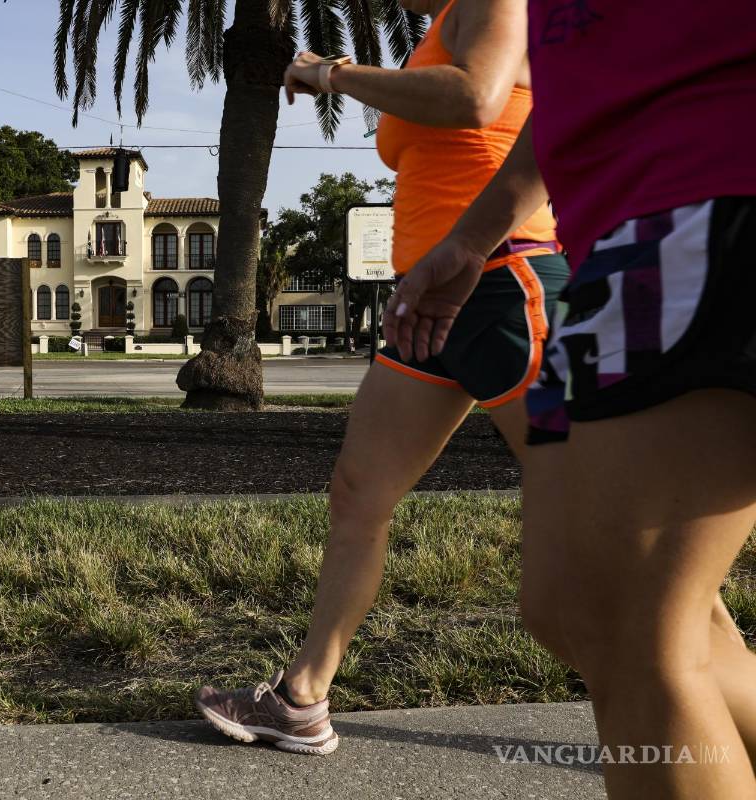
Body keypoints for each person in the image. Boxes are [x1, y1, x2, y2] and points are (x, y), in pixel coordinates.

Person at [383, 2, 756, 796]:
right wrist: (468, 238)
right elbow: (570, 104)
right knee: (570, 607)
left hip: (708, 200)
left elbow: (482, 96)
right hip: (624, 246)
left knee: (629, 625)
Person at [195, 0, 568, 756]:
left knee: (604, 513)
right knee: (359, 494)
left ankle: (700, 698)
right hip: (426, 298)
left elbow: (477, 99)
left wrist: (334, 74)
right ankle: (302, 699)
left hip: (502, 282)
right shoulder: (435, 32)